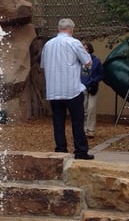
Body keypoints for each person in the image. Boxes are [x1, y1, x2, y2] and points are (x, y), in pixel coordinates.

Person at [40, 18, 94, 160]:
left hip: (54, 89)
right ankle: (80, 151)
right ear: (71, 29)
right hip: (72, 89)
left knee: (58, 121)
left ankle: (61, 150)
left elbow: (43, 65)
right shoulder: (74, 43)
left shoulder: (48, 45)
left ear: (59, 28)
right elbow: (88, 61)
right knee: (77, 121)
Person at [80, 42, 103, 137]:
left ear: (90, 49)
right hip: (82, 87)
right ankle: (84, 129)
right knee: (83, 108)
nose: (85, 50)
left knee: (91, 108)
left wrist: (95, 81)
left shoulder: (96, 61)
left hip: (92, 87)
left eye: (86, 48)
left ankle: (91, 129)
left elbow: (101, 74)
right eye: (83, 48)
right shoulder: (80, 61)